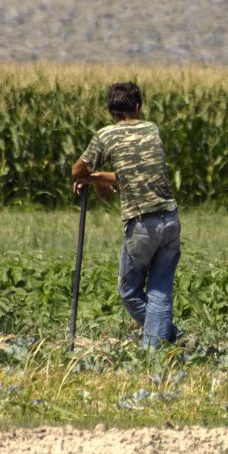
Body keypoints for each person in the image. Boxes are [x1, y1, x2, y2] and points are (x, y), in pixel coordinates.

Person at [71, 81, 184, 348]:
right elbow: (134, 174)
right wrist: (99, 178)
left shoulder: (106, 136)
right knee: (159, 292)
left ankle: (162, 343)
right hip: (170, 219)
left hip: (142, 225)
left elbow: (77, 171)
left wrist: (91, 176)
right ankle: (161, 346)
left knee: (130, 291)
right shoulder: (152, 129)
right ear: (137, 106)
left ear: (111, 110)